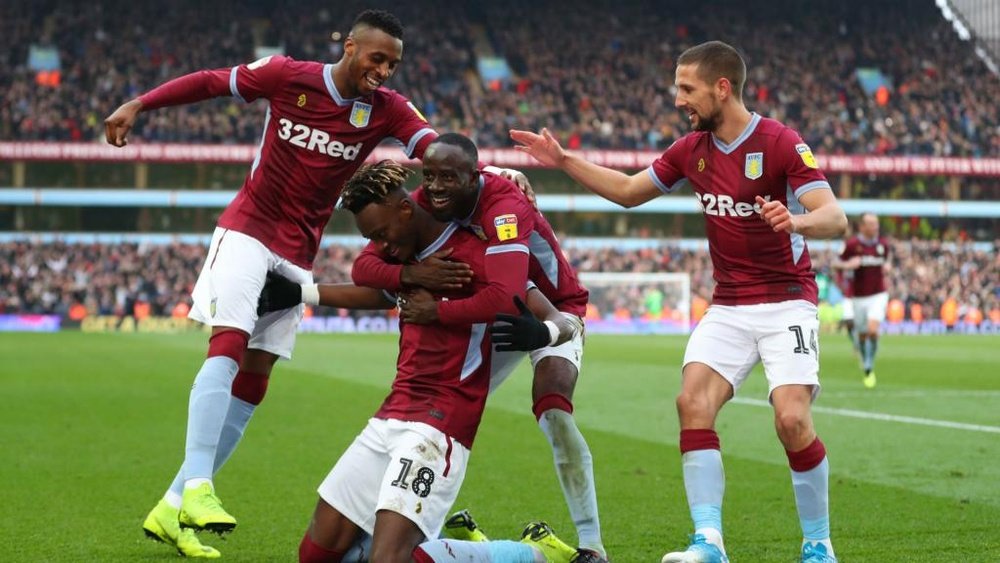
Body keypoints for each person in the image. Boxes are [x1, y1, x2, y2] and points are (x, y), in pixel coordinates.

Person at [103, 10, 528, 558]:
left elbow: (434, 151)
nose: (384, 71)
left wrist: (493, 174)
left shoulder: (387, 109)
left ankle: (172, 501)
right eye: (377, 58)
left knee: (255, 378)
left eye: (393, 64)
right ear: (350, 47)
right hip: (248, 228)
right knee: (228, 343)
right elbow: (212, 81)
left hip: (297, 252)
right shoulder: (288, 76)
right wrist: (140, 103)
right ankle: (200, 488)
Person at [511, 41, 847, 563]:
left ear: (722, 87)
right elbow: (627, 190)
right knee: (692, 403)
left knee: (791, 421)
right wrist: (562, 160)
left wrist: (795, 219)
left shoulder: (780, 142)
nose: (678, 100)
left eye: (686, 89)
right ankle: (708, 542)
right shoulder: (690, 149)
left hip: (787, 303)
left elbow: (834, 217)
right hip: (730, 304)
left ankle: (819, 546)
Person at [284, 160, 578, 563]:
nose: (381, 246)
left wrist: (541, 334)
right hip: (390, 415)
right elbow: (367, 282)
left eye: (382, 234)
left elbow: (560, 320)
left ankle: (531, 554)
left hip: (439, 426)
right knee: (314, 556)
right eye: (373, 238)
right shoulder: (407, 260)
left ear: (406, 209)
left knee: (392, 559)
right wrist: (300, 294)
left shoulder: (478, 255)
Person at [352, 133, 607, 561]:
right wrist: (411, 278)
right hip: (496, 308)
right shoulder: (434, 198)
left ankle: (592, 545)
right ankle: (402, 529)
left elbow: (511, 289)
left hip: (553, 310)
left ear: (473, 177)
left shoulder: (505, 204)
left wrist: (540, 333)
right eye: (428, 177)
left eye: (446, 177)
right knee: (439, 415)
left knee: (554, 409)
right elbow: (365, 264)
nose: (433, 188)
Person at [833, 212, 891, 388]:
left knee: (873, 330)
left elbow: (887, 260)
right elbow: (835, 263)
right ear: (862, 226)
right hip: (858, 297)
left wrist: (888, 266)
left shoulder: (883, 245)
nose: (876, 227)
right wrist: (847, 265)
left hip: (878, 294)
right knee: (863, 334)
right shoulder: (852, 245)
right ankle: (866, 357)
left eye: (877, 224)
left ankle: (868, 365)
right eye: (872, 224)